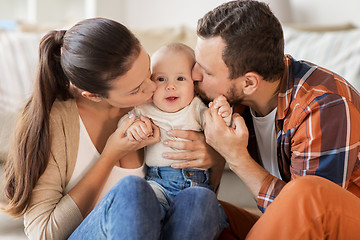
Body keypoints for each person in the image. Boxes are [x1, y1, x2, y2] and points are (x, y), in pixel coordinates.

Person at [2, 18, 227, 240]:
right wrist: (110, 155)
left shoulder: (163, 105)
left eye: (148, 70)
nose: (152, 88)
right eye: (136, 89)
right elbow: (43, 233)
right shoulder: (53, 123)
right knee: (133, 190)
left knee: (201, 199)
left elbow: (193, 210)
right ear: (93, 95)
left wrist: (213, 159)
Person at [187, 0, 360, 239]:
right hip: (287, 222)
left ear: (249, 83)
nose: (194, 75)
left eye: (206, 72)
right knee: (196, 206)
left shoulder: (324, 106)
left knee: (306, 193)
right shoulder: (230, 100)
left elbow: (309, 217)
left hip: (343, 227)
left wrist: (235, 156)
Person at [122, 42, 231, 233]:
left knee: (200, 209)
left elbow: (219, 129)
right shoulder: (145, 110)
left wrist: (223, 113)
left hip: (196, 184)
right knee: (144, 207)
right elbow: (124, 123)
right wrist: (134, 127)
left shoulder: (197, 108)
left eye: (180, 78)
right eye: (161, 79)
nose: (170, 86)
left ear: (194, 86)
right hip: (158, 183)